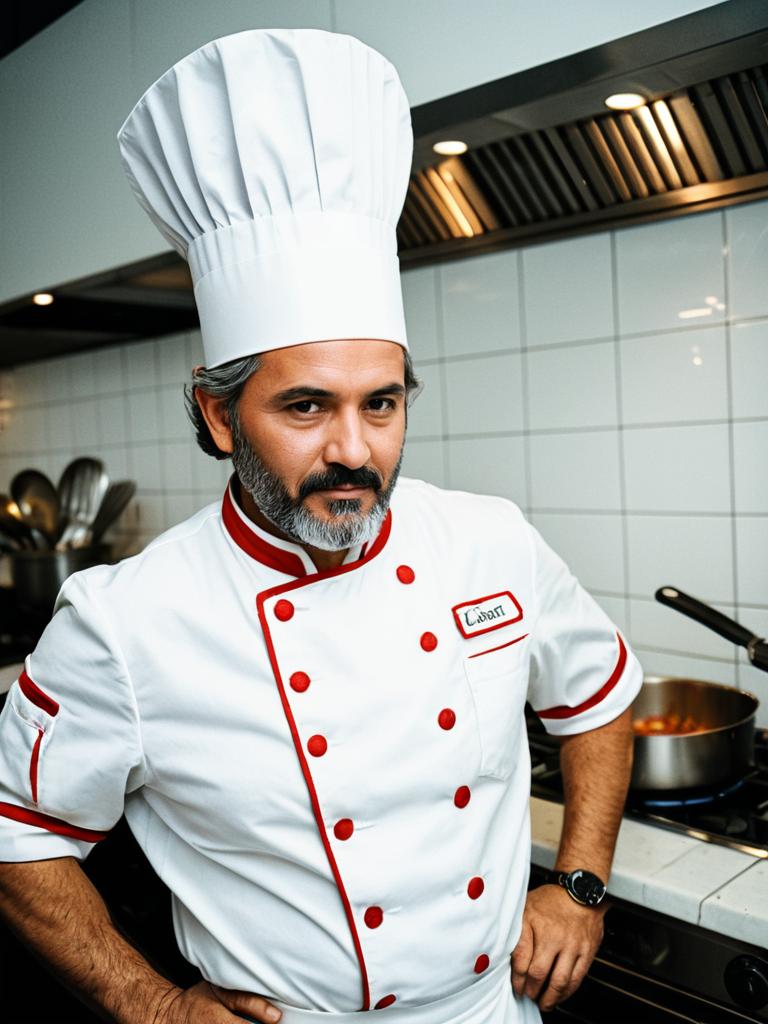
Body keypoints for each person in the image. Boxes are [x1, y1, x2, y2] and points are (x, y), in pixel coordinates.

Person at [0, 28, 642, 1024]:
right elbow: (16, 832)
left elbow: (597, 698)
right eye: (306, 407)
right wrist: (152, 1005)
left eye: (381, 403)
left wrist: (582, 881)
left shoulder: (489, 539)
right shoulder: (124, 620)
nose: (355, 448)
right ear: (220, 416)